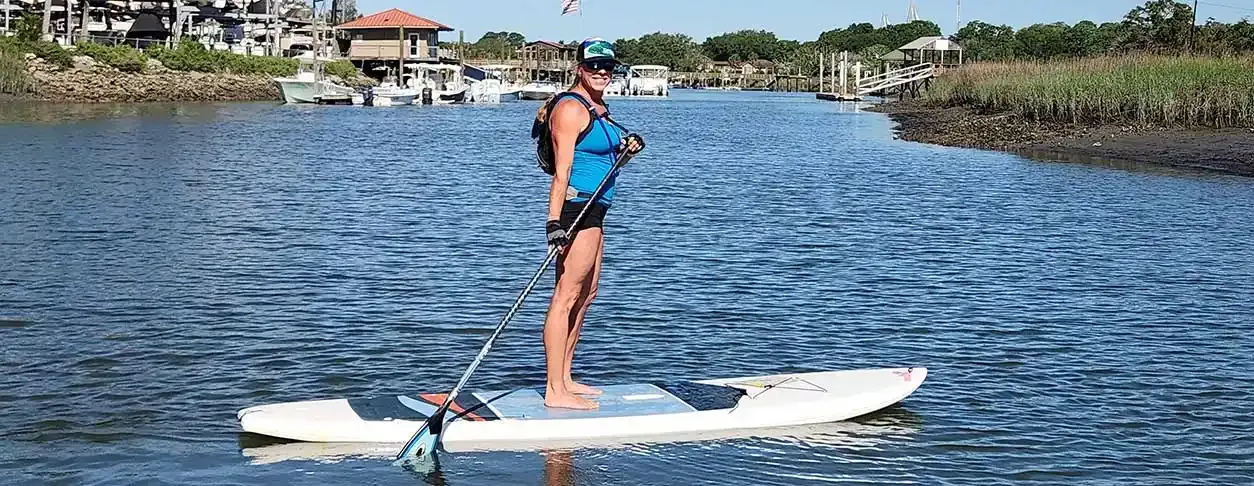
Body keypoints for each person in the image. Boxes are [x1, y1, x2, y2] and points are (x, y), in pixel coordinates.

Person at [540, 38, 643, 410]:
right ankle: (554, 390)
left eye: (608, 67)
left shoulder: (599, 109)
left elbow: (606, 164)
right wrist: (554, 223)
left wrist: (626, 151)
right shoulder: (570, 109)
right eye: (593, 65)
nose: (601, 72)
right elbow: (562, 171)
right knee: (566, 296)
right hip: (576, 209)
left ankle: (566, 377)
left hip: (597, 208)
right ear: (579, 68)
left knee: (587, 295)